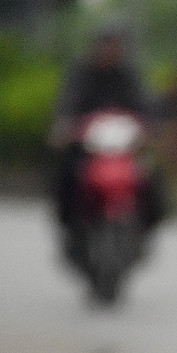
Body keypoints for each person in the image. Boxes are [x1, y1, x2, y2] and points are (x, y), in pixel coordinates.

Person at [49, 19, 165, 239]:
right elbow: (68, 101)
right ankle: (69, 220)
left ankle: (150, 220)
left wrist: (154, 125)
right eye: (106, 44)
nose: (111, 49)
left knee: (150, 173)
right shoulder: (81, 71)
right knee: (68, 173)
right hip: (89, 144)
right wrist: (63, 124)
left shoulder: (128, 74)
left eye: (115, 44)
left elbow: (145, 101)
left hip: (122, 144)